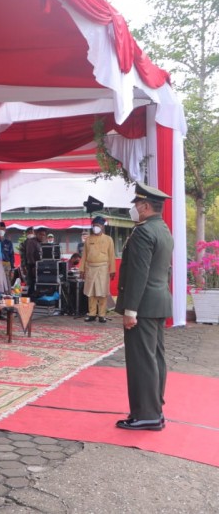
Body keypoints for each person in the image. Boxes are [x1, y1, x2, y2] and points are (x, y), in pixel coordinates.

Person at [114, 183, 173, 432]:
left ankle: (147, 414)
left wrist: (130, 310)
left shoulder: (143, 232)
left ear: (146, 206)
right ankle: (154, 409)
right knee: (155, 358)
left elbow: (139, 274)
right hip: (158, 302)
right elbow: (165, 270)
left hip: (143, 306)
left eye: (137, 205)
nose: (134, 209)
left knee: (142, 361)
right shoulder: (163, 229)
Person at [82, 216, 116, 323]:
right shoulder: (88, 239)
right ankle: (92, 314)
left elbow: (112, 255)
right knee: (91, 292)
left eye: (97, 225)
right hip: (90, 268)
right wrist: (82, 269)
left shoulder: (108, 239)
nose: (95, 228)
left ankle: (102, 315)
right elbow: (84, 255)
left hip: (103, 268)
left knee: (102, 292)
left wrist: (112, 270)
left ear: (102, 226)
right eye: (94, 226)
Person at [24, 227, 44, 298]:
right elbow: (29, 255)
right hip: (32, 267)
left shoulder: (39, 243)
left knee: (36, 286)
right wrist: (33, 266)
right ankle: (29, 301)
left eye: (44, 235)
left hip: (38, 267)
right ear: (36, 234)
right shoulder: (31, 242)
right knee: (31, 286)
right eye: (41, 234)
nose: (42, 236)